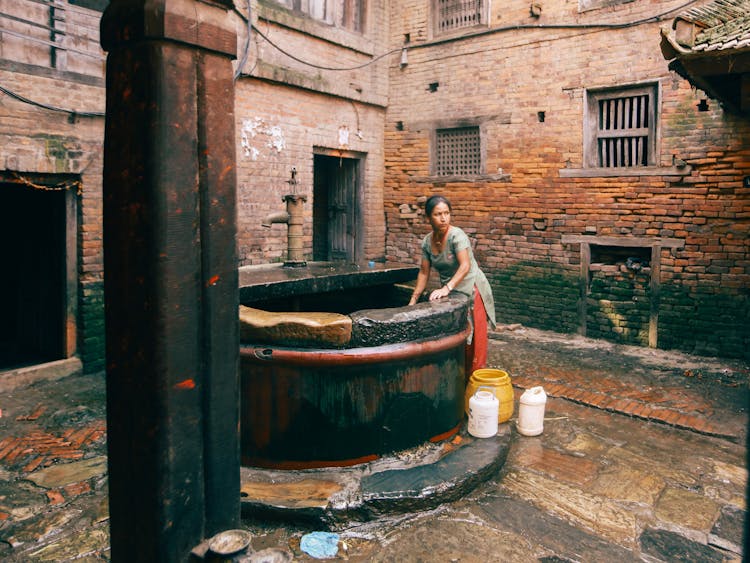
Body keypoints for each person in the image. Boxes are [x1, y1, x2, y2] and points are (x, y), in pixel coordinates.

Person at [408, 195, 496, 375]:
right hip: (450, 292)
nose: (443, 218)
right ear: (428, 218)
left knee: (475, 340)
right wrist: (413, 299)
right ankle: (457, 376)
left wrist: (446, 288)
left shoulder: (457, 235)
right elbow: (424, 272)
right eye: (438, 214)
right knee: (456, 337)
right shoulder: (427, 241)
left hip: (471, 288)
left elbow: (465, 265)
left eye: (446, 213)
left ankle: (474, 379)